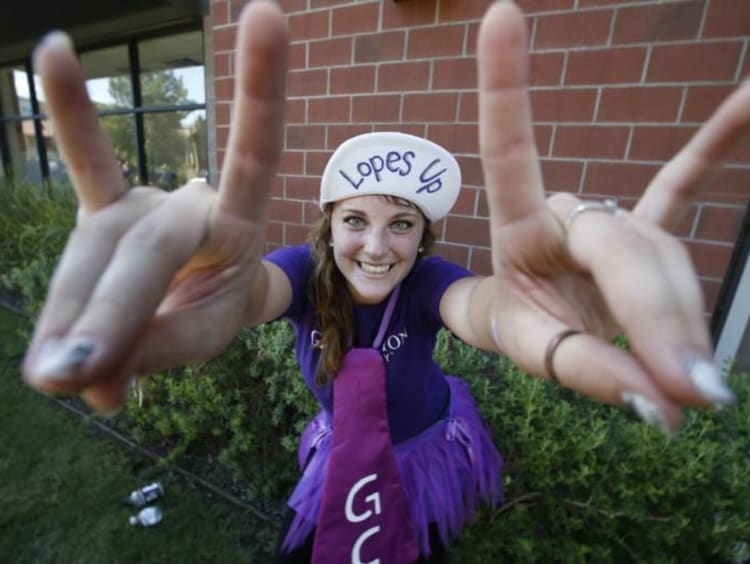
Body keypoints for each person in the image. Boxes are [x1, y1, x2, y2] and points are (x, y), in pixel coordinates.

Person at [22, 0, 749, 562]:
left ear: (425, 237)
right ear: (328, 224)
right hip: (343, 449)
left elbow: (488, 312)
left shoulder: (431, 282)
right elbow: (252, 297)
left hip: (426, 453)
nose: (376, 246)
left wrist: (541, 306)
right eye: (356, 221)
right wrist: (209, 281)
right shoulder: (303, 275)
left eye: (402, 224)